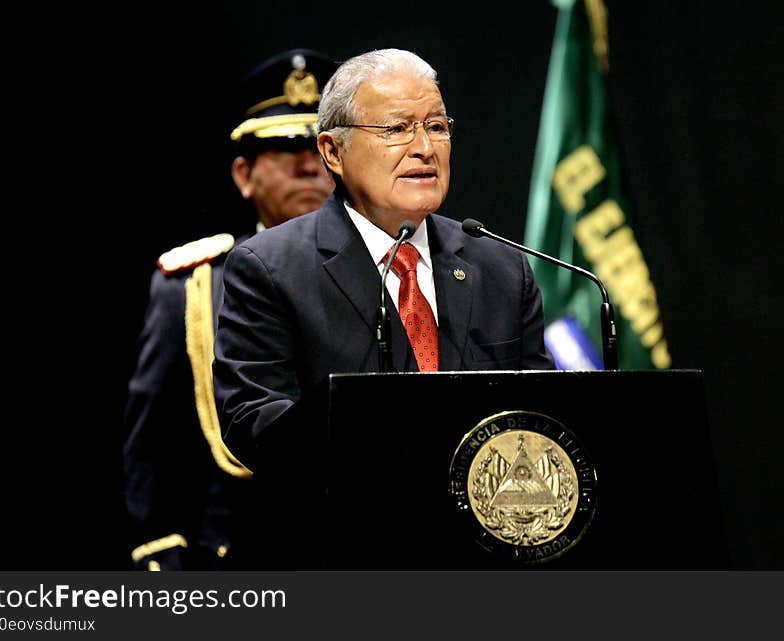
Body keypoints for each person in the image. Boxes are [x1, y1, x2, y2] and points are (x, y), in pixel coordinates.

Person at [212, 49, 555, 565]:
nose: (424, 148)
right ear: (332, 151)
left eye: (437, 126)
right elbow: (253, 423)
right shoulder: (270, 267)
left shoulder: (502, 268)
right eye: (396, 129)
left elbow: (540, 415)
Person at [123, 48, 339, 570]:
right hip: (235, 563)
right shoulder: (193, 287)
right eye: (285, 147)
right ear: (244, 174)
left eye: (320, 147)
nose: (308, 163)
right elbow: (153, 442)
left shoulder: (393, 274)